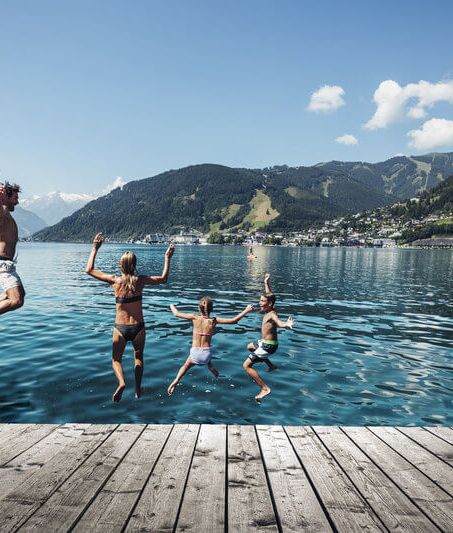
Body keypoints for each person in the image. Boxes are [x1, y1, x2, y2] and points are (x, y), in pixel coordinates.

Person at [86, 233, 175, 402]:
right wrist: (167, 257)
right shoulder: (140, 281)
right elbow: (163, 279)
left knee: (115, 359)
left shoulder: (114, 281)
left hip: (120, 328)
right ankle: (138, 388)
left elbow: (89, 270)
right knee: (138, 357)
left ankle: (121, 382)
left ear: (121, 264)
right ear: (134, 265)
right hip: (138, 328)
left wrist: (95, 248)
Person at [167, 296, 254, 396]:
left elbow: (176, 313)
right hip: (206, 355)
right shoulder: (213, 321)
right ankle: (210, 366)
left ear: (199, 309)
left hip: (195, 353)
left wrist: (172, 306)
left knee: (186, 366)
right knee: (205, 351)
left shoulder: (194, 317)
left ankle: (176, 381)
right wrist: (246, 310)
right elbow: (233, 320)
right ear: (212, 309)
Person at [243, 272, 294, 401]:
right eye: (260, 300)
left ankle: (265, 388)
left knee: (246, 366)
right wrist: (266, 283)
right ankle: (271, 366)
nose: (260, 303)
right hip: (264, 342)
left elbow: (278, 322)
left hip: (268, 346)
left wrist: (286, 324)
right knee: (250, 346)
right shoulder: (270, 308)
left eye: (262, 301)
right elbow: (269, 296)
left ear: (269, 304)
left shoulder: (272, 314)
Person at [0, 181, 25, 315]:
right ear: (5, 197)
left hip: (7, 264)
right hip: (3, 265)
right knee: (16, 300)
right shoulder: (3, 212)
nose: (17, 202)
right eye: (15, 198)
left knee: (21, 293)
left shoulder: (6, 215)